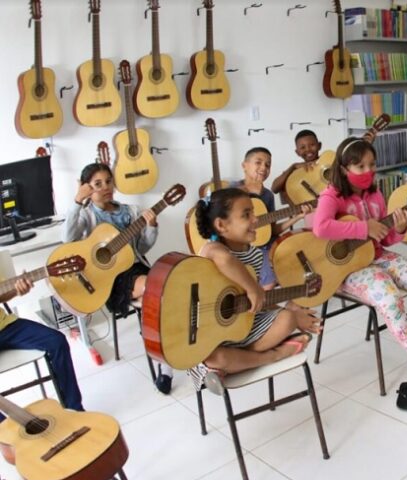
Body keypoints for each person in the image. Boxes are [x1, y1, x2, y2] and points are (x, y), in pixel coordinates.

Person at [312, 136, 407, 377]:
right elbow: (321, 227)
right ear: (345, 169)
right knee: (390, 297)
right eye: (361, 166)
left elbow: (384, 239)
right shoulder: (331, 195)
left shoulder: (375, 195)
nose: (369, 171)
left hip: (377, 255)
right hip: (347, 269)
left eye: (372, 164)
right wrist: (364, 228)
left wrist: (399, 229)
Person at [191, 188, 314, 394]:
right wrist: (252, 287)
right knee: (215, 357)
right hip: (210, 333)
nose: (256, 220)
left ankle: (234, 363)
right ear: (221, 225)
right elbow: (226, 260)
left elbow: (255, 301)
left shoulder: (255, 255)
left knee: (288, 319)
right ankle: (274, 355)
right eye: (246, 215)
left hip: (242, 328)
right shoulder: (210, 250)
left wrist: (292, 312)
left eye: (253, 213)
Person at [65, 163, 174, 394]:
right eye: (97, 184)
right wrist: (77, 202)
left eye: (108, 181)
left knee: (166, 289)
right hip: (110, 280)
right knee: (156, 291)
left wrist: (151, 226)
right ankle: (166, 364)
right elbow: (68, 240)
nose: (105, 187)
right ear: (87, 188)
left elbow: (142, 247)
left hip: (135, 269)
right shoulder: (86, 215)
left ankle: (165, 357)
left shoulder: (131, 211)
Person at [0, 279, 83, 420]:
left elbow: (2, 292)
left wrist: (16, 290)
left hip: (6, 326)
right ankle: (5, 432)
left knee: (56, 341)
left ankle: (75, 410)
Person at [234, 147, 311, 289]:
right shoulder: (232, 191)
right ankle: (262, 305)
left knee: (301, 258)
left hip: (266, 245)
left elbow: (272, 230)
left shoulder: (268, 195)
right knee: (270, 276)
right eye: (258, 162)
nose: (263, 167)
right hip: (245, 248)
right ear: (244, 165)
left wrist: (297, 216)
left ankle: (295, 304)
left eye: (268, 164)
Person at [271, 130, 322, 206]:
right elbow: (274, 188)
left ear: (319, 146)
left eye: (312, 145)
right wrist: (293, 166)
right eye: (302, 147)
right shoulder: (295, 171)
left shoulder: (328, 163)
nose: (308, 149)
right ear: (297, 152)